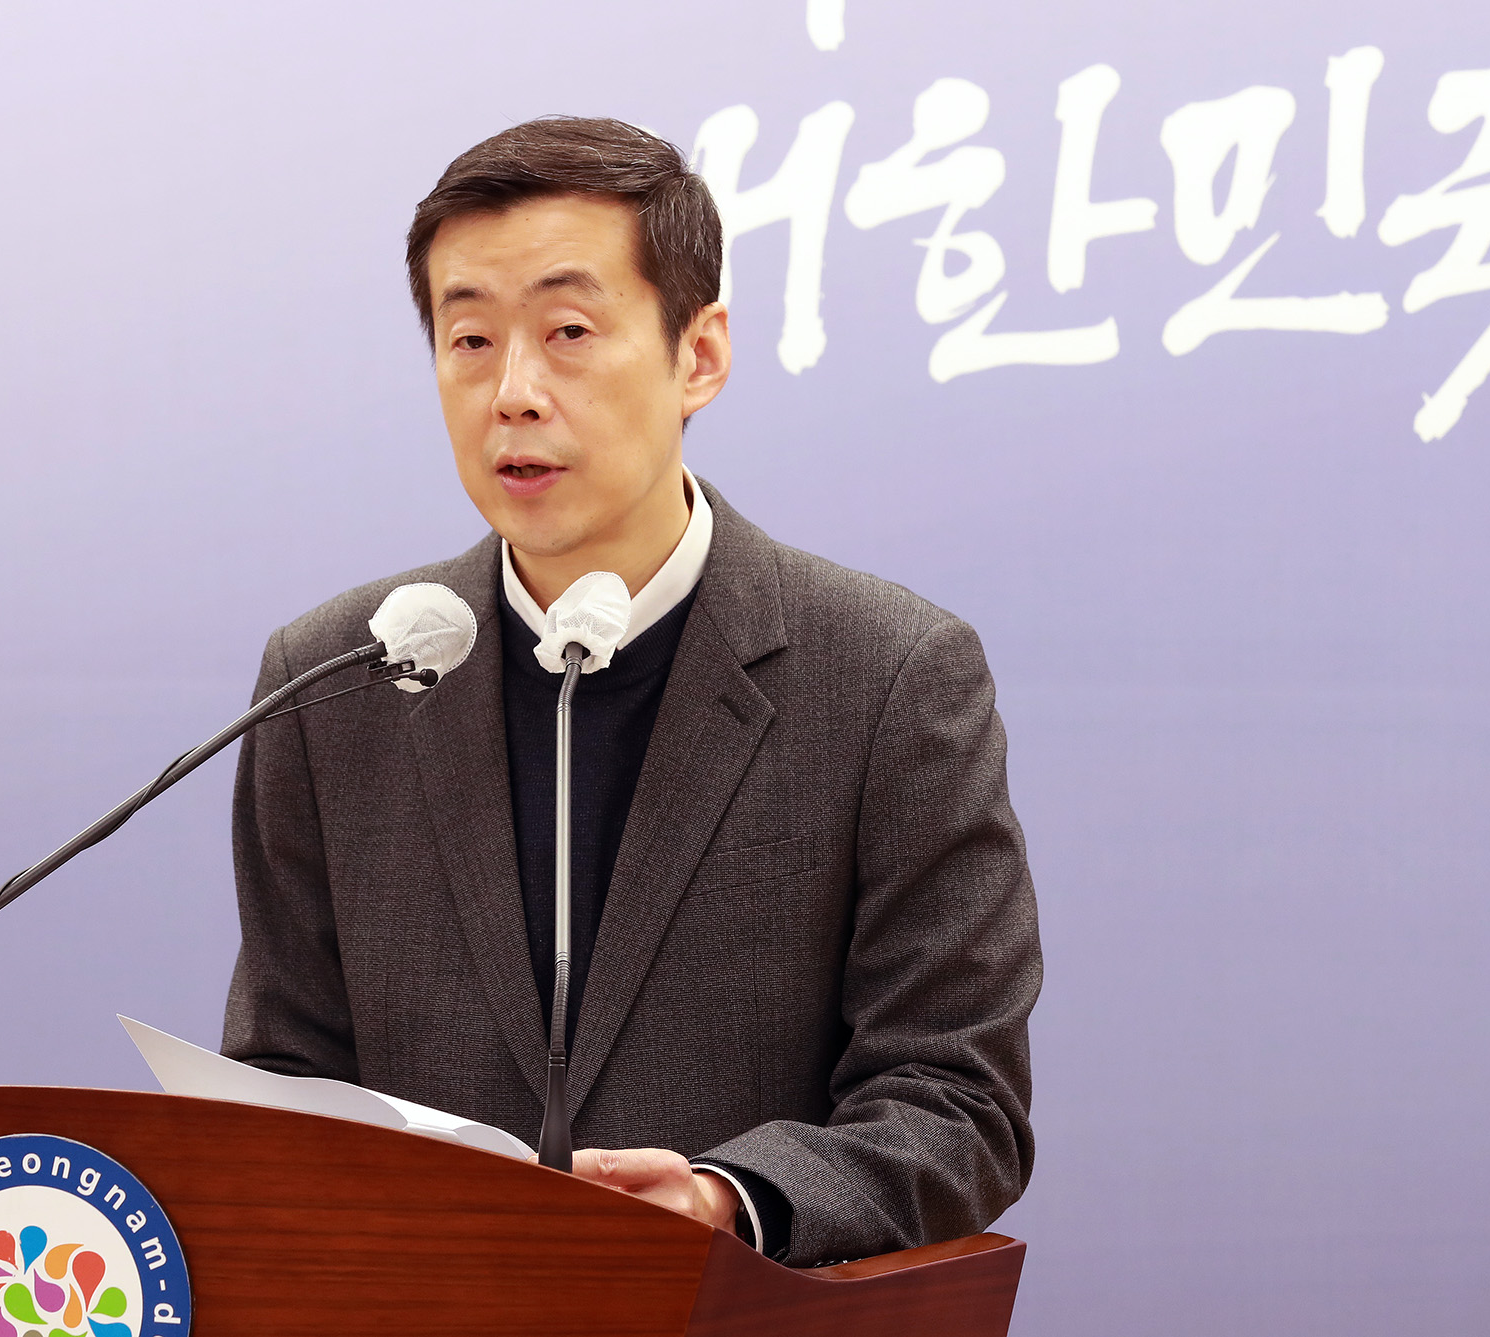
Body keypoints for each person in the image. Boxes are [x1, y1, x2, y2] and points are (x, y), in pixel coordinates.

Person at [222, 116, 1040, 1267]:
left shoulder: (887, 676)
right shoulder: (335, 678)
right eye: (469, 339)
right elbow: (283, 1075)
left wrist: (724, 1199)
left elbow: (955, 1102)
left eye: (567, 331)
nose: (512, 392)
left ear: (696, 354)